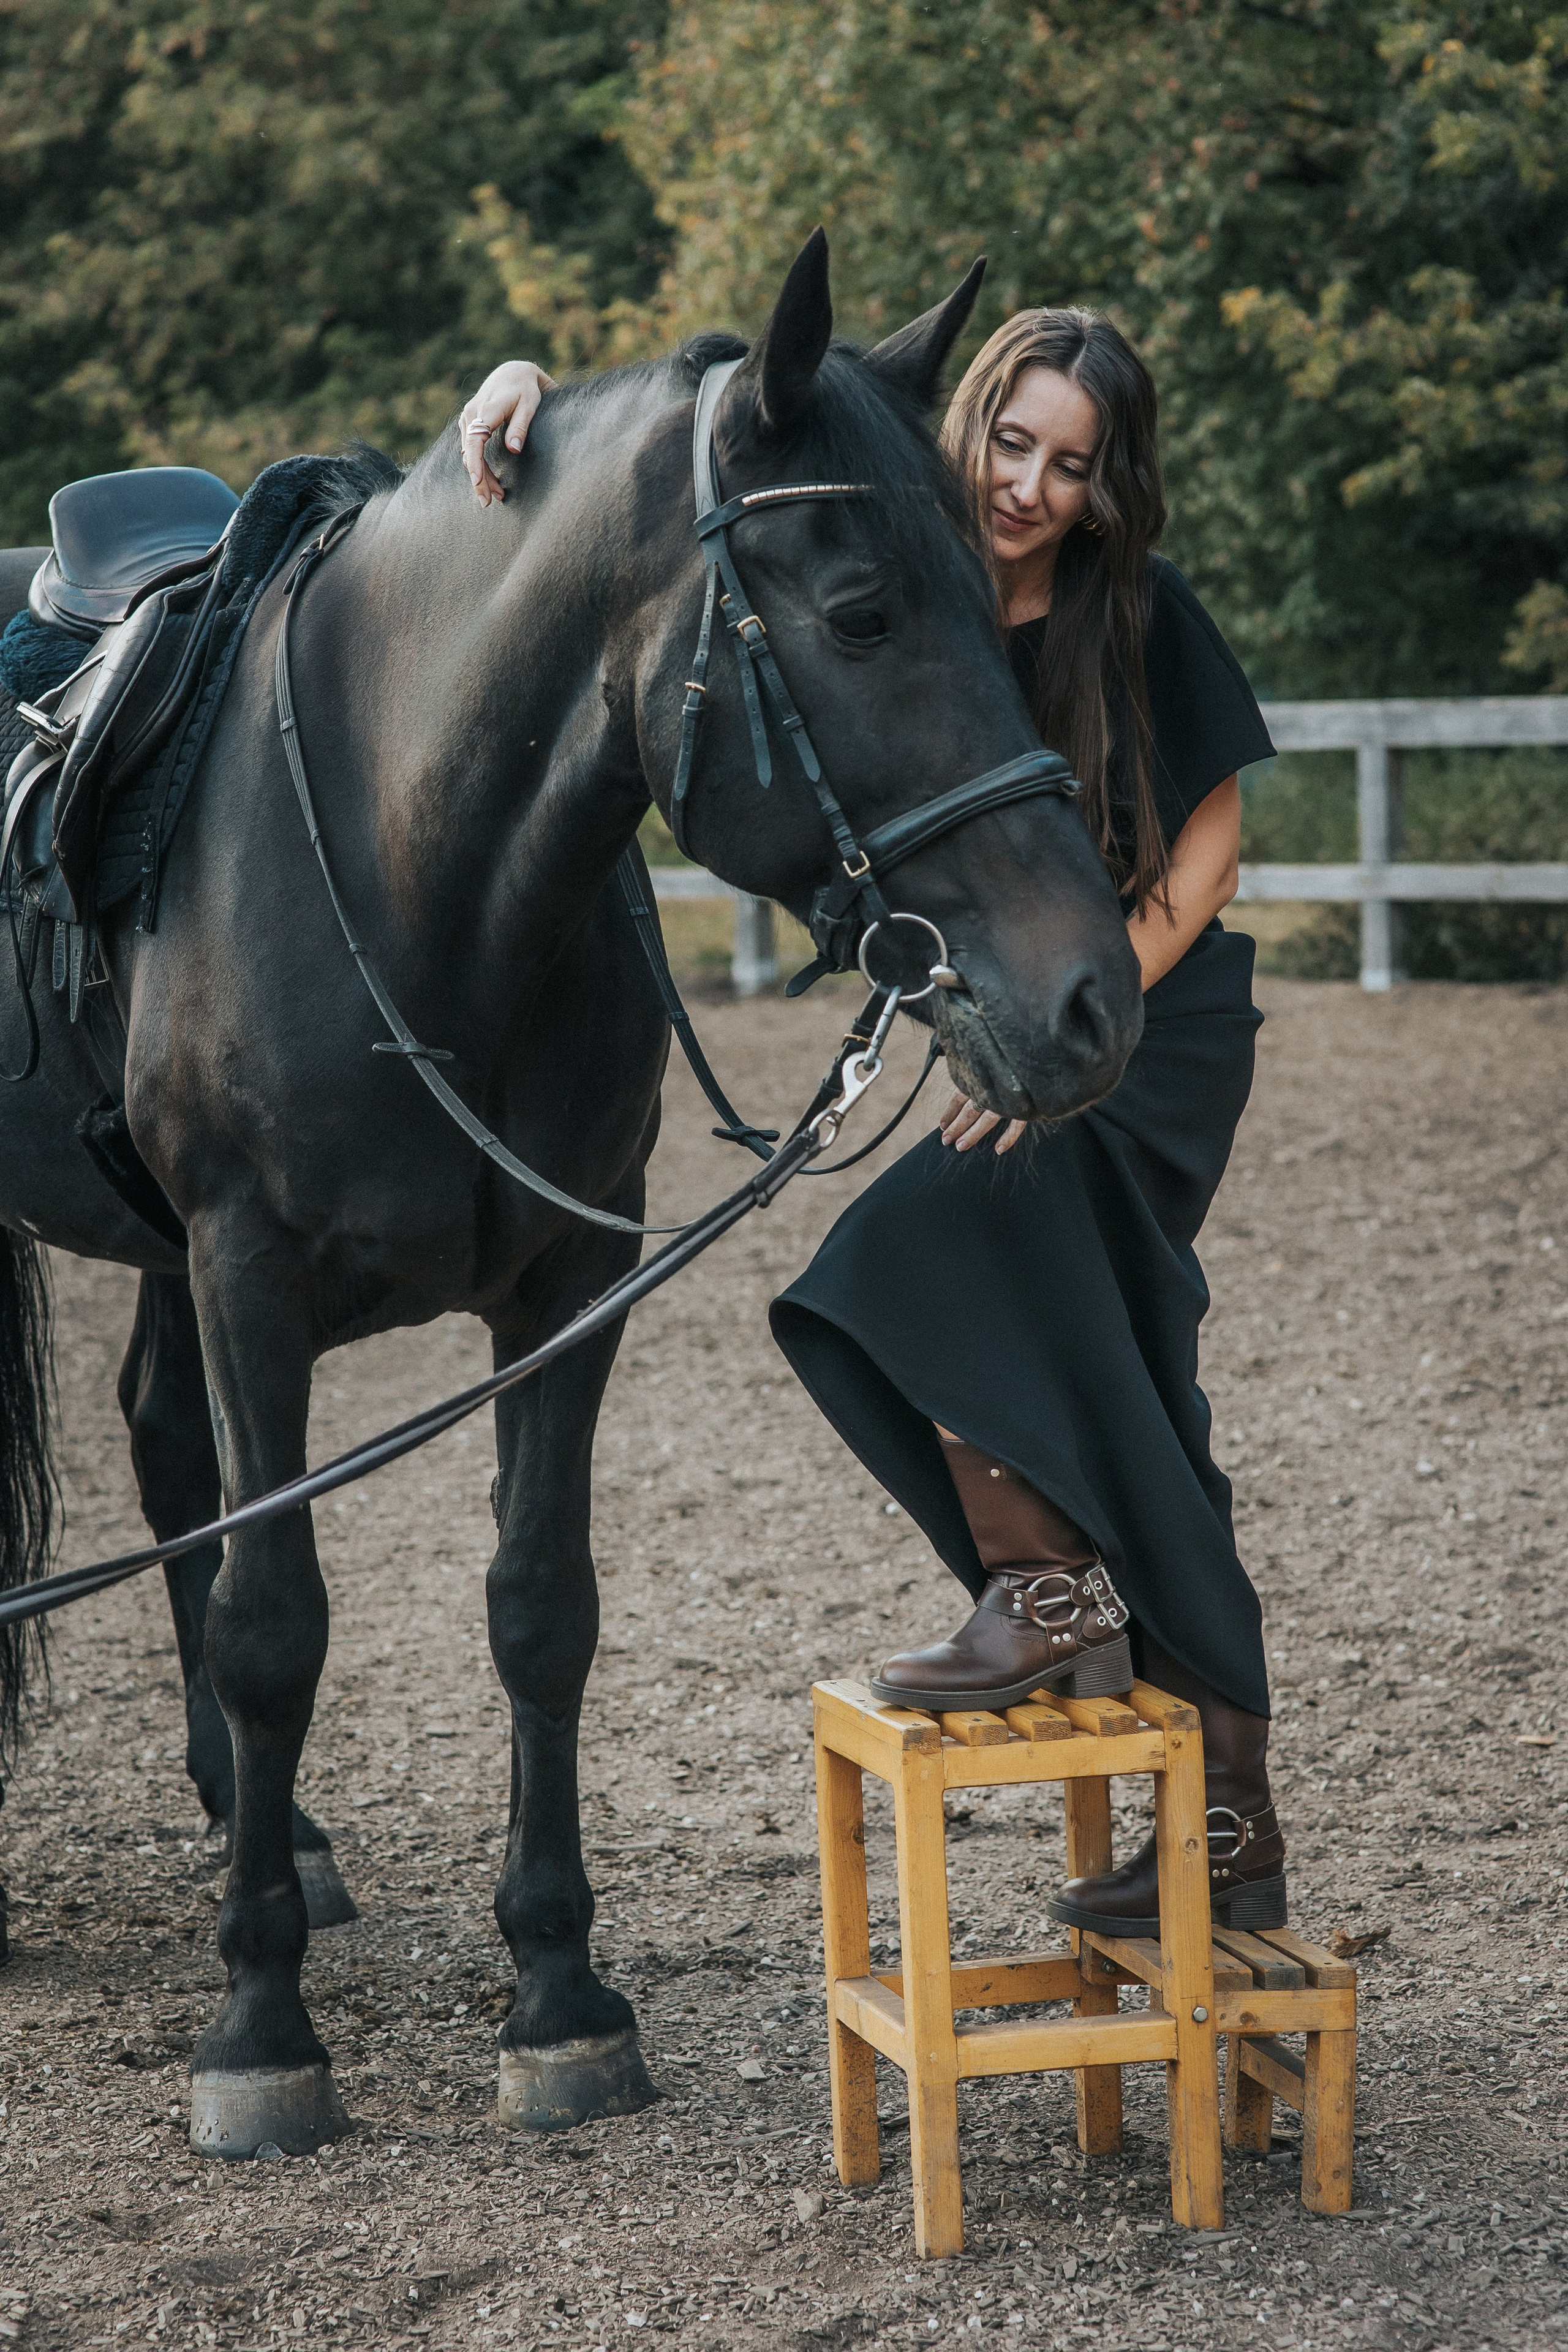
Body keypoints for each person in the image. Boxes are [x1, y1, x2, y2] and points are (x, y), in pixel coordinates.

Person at [457, 309, 1284, 1937]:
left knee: (907, 1256)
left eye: (1075, 464)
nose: (1035, 487)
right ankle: (1227, 1828)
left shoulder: (1138, 616)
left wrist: (1071, 1026)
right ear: (965, 426)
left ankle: (1046, 1597)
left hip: (1136, 1026)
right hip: (1023, 1022)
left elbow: (1206, 864)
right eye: (1014, 444)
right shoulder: (918, 595)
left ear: (1115, 489)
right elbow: (738, 406)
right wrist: (529, 396)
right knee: (1127, 1394)